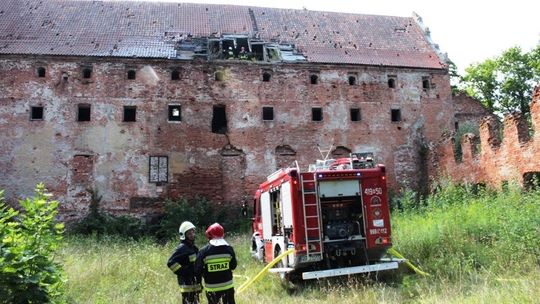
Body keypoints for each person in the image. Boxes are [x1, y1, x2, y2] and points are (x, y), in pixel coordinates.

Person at [195, 223, 237, 304]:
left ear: (209, 235)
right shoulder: (229, 249)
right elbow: (233, 266)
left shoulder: (204, 251)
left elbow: (198, 270)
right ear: (222, 234)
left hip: (212, 289)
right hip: (228, 287)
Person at [167, 221, 202, 304]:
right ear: (184, 235)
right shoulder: (181, 248)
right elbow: (170, 263)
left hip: (195, 284)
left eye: (193, 232)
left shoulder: (194, 248)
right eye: (189, 233)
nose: (192, 234)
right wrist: (184, 271)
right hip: (186, 285)